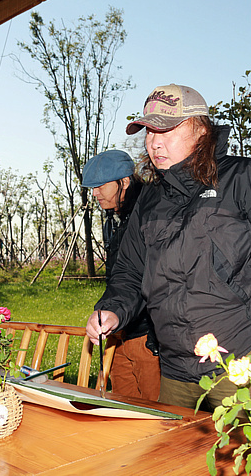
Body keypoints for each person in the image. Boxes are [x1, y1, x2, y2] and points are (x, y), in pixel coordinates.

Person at [85, 84, 251, 410]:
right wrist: (113, 308)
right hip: (176, 373)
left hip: (244, 366)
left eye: (165, 130)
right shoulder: (150, 199)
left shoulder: (248, 178)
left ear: (202, 129)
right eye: (148, 132)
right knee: (176, 459)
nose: (154, 142)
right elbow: (130, 271)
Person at [81, 149, 161, 401]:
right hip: (120, 333)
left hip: (148, 337)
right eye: (91, 187)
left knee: (157, 415)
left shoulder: (153, 214)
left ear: (124, 181)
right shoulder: (117, 219)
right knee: (123, 410)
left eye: (100, 186)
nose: (95, 193)